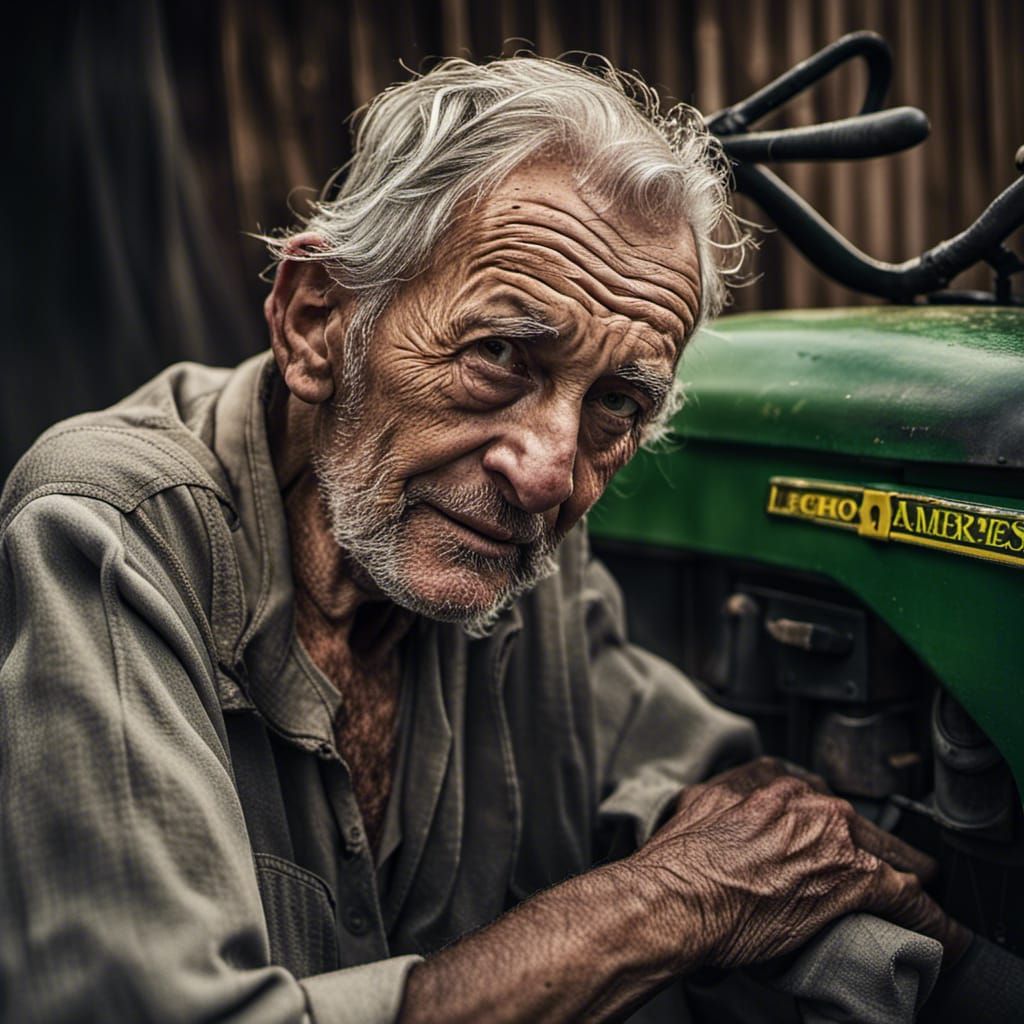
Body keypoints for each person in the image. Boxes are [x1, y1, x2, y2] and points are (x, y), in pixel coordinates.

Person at [0, 56, 965, 1023]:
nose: (547, 475)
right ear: (317, 321)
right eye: (499, 353)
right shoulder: (112, 534)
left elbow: (708, 800)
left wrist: (955, 967)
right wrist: (673, 900)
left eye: (616, 405)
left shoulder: (510, 555)